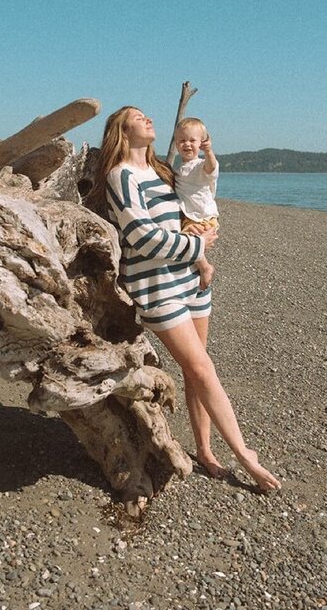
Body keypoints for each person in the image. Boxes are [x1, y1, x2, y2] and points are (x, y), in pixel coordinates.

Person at [88, 105, 281, 492]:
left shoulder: (162, 172)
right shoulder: (120, 175)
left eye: (147, 115)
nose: (148, 119)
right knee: (202, 369)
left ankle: (206, 451)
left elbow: (194, 201)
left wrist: (199, 250)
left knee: (198, 371)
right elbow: (140, 236)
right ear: (121, 131)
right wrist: (195, 244)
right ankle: (245, 454)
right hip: (155, 284)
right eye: (137, 116)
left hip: (188, 278)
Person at [172, 117, 220, 289]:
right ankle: (197, 272)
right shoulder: (178, 169)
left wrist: (209, 152)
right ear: (176, 144)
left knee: (190, 241)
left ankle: (205, 268)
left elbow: (211, 168)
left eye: (193, 140)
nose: (187, 144)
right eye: (182, 141)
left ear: (202, 143)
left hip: (203, 216)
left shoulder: (201, 165)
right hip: (189, 217)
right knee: (186, 243)